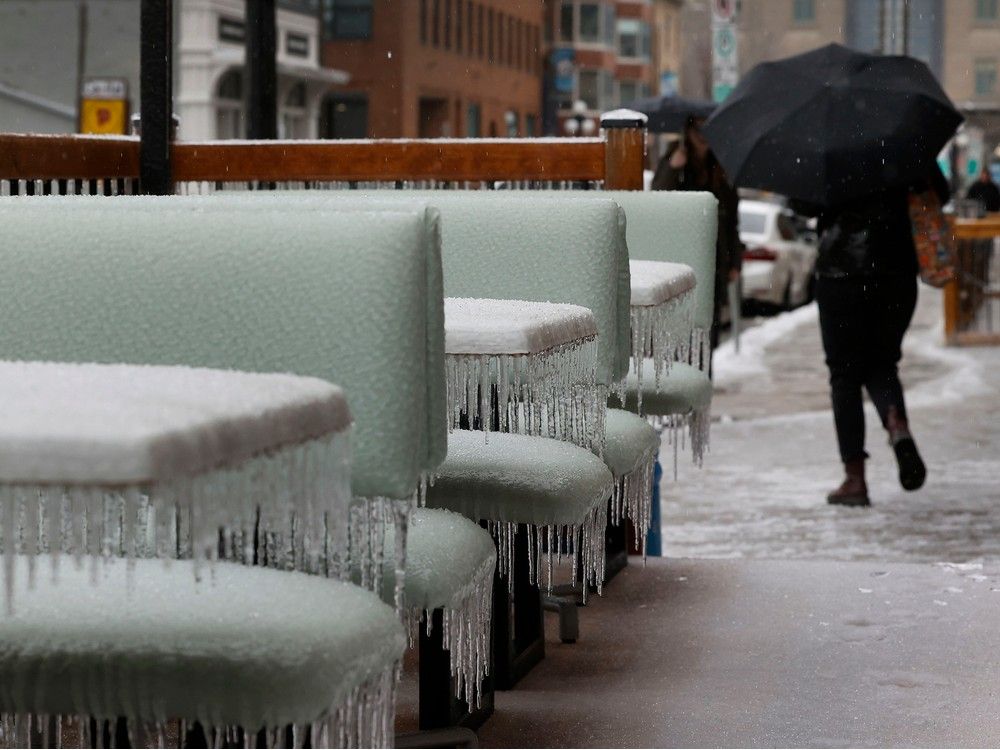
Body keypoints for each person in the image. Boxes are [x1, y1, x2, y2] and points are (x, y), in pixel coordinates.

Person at [805, 167, 949, 507]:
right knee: (882, 363)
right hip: (896, 274)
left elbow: (803, 203)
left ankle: (855, 478)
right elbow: (939, 193)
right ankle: (896, 425)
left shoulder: (828, 141)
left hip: (842, 273)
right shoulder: (903, 138)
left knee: (845, 375)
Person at [651, 116, 742, 361]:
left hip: (713, 259)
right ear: (688, 131)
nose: (702, 137)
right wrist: (673, 168)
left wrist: (734, 262)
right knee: (678, 333)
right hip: (680, 258)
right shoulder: (675, 157)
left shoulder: (721, 165)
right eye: (697, 130)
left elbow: (732, 220)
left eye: (707, 130)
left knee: (707, 333)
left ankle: (703, 385)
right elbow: (657, 198)